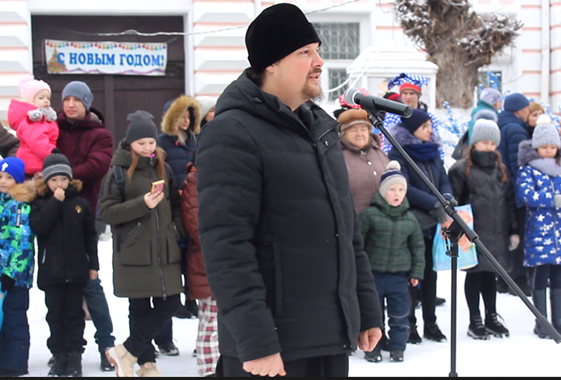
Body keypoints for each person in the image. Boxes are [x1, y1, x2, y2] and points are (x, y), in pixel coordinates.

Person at [196, 3, 383, 377]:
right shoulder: (232, 132)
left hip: (327, 337)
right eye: (305, 52)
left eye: (317, 50)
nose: (319, 61)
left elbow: (348, 233)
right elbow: (227, 245)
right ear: (271, 63)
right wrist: (256, 341)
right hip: (272, 350)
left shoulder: (322, 130)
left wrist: (364, 310)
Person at [101, 110, 186, 377]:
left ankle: (126, 350)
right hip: (133, 250)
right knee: (138, 309)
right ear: (130, 143)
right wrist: (142, 205)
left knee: (171, 303)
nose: (148, 147)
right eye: (142, 143)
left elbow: (175, 204)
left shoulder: (164, 165)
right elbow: (107, 212)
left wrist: (176, 230)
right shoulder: (117, 171)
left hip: (165, 250)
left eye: (151, 142)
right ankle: (146, 365)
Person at [56, 80, 116, 371]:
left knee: (91, 285)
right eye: (66, 99)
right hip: (53, 216)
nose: (70, 104)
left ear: (87, 104)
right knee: (58, 289)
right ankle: (65, 349)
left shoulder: (100, 134)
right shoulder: (52, 129)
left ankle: (107, 345)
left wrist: (59, 177)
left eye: (76, 100)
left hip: (83, 216)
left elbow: (97, 166)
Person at [30, 149, 99, 377]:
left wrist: (93, 265)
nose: (59, 183)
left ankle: (74, 356)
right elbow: (40, 227)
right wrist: (55, 203)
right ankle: (59, 355)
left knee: (75, 315)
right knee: (55, 315)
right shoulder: (40, 203)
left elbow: (90, 236)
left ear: (70, 179)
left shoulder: (80, 203)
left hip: (77, 270)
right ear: (46, 181)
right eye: (54, 179)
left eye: (63, 178)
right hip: (52, 271)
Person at [448, 118, 519, 340]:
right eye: (484, 142)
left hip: (497, 229)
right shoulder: (461, 169)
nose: (488, 147)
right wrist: (457, 229)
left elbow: (509, 202)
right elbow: (454, 201)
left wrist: (514, 230)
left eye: (492, 143)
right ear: (474, 143)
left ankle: (491, 315)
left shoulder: (501, 169)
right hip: (473, 231)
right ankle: (475, 318)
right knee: (475, 274)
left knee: (491, 274)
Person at [387, 108, 453, 345]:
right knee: (411, 277)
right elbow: (403, 186)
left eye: (430, 126)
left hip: (434, 222)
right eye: (424, 126)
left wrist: (446, 199)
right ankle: (410, 324)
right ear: (411, 129)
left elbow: (443, 179)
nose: (430, 130)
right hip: (412, 222)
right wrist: (434, 203)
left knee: (430, 273)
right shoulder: (399, 153)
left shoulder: (433, 152)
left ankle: (431, 323)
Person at [358, 160, 425, 363]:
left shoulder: (410, 219)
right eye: (392, 189)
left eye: (401, 189)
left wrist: (416, 273)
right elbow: (359, 243)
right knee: (373, 314)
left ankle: (397, 348)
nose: (397, 194)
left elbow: (417, 248)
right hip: (373, 276)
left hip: (398, 277)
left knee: (399, 314)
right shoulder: (370, 215)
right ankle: (372, 348)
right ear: (383, 191)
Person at [517, 123, 561, 339]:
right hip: (539, 233)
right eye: (545, 147)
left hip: (559, 234)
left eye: (553, 147)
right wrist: (552, 200)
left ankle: (558, 320)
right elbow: (526, 195)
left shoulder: (559, 168)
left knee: (558, 276)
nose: (549, 150)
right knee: (541, 276)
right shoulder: (528, 169)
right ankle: (541, 321)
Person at [181, 153, 219, 377]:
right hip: (204, 259)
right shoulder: (194, 181)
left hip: (222, 258)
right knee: (210, 320)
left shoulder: (220, 177)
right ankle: (208, 371)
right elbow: (195, 224)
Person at [0, 157, 36, 377]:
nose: (3, 181)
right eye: (0, 177)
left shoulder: (19, 206)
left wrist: (11, 274)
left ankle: (14, 365)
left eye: (9, 178)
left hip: (14, 277)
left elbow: (21, 241)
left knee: (14, 320)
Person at [496, 92, 532, 297]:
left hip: (500, 191)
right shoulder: (516, 129)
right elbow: (519, 165)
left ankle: (503, 279)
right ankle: (518, 281)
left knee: (507, 236)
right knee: (519, 237)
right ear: (519, 110)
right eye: (526, 109)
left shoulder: (500, 124)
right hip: (514, 192)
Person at [338, 108, 390, 214]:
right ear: (343, 133)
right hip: (354, 223)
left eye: (363, 129)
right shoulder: (338, 157)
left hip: (383, 224)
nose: (359, 134)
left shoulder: (380, 154)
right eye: (353, 130)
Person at [382, 73, 443, 159]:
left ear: (418, 95)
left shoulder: (429, 117)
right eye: (405, 93)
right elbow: (387, 144)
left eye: (412, 93)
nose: (408, 97)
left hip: (426, 159)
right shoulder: (392, 116)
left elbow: (437, 143)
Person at [7, 76, 58, 178]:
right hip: (35, 164)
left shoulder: (44, 119)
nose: (46, 101)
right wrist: (52, 152)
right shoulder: (33, 120)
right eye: (41, 98)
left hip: (40, 161)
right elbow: (37, 141)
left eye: (48, 98)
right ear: (30, 100)